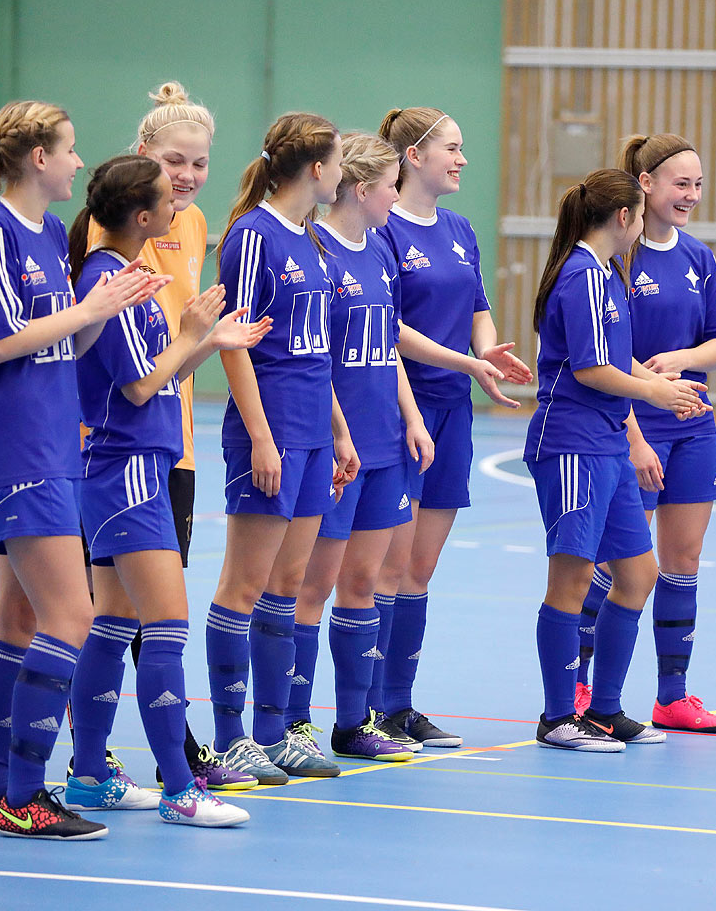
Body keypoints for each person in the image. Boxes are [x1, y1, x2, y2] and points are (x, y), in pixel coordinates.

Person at [0, 100, 164, 839]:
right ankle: (27, 794)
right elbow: (3, 342)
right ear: (38, 157)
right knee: (72, 616)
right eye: (68, 150)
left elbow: (61, 347)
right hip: (15, 450)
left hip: (50, 446)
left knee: (19, 617)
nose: (77, 162)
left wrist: (107, 306)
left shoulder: (42, 235)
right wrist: (88, 305)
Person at [80, 82, 253, 793]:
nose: (187, 177)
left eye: (200, 164)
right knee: (147, 616)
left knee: (125, 615)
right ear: (143, 158)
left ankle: (95, 766)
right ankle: (177, 767)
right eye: (175, 163)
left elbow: (178, 337)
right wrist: (194, 340)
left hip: (170, 439)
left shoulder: (188, 224)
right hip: (120, 443)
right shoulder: (107, 243)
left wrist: (210, 339)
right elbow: (136, 367)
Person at [524, 168, 709, 752]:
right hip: (571, 444)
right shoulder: (579, 276)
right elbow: (589, 368)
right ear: (625, 217)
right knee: (572, 578)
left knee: (638, 574)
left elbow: (617, 359)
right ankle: (558, 716)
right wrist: (655, 393)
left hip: (605, 442)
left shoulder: (606, 275)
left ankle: (604, 710)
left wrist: (665, 389)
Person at [372, 107, 532, 749]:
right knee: (385, 568)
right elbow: (391, 330)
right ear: (413, 156)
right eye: (452, 148)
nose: (463, 159)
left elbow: (477, 307)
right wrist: (466, 360)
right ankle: (366, 709)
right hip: (398, 407)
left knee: (419, 571)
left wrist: (485, 354)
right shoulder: (382, 228)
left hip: (452, 410)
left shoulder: (461, 229)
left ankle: (401, 705)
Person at [204, 113, 355, 784]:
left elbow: (314, 351)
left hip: (313, 437)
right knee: (243, 583)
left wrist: (341, 433)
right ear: (317, 169)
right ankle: (229, 737)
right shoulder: (252, 236)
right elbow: (235, 348)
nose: (345, 174)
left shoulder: (312, 239)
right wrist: (262, 439)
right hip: (268, 436)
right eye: (341, 162)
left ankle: (274, 732)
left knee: (288, 586)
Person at [577, 134, 716, 734]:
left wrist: (687, 354)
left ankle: (674, 695)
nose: (691, 195)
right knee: (618, 562)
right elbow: (607, 357)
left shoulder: (698, 257)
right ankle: (582, 680)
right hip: (633, 425)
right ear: (645, 184)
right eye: (680, 184)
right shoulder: (617, 258)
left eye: (697, 184)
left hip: (693, 427)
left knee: (683, 560)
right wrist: (636, 435)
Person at [293, 132, 434, 762]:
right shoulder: (317, 250)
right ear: (361, 188)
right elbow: (315, 359)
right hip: (337, 445)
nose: (395, 199)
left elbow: (389, 343)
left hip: (384, 442)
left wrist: (411, 417)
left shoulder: (378, 247)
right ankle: (293, 724)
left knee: (366, 581)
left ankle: (354, 722)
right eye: (390, 187)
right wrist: (338, 432)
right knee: (311, 586)